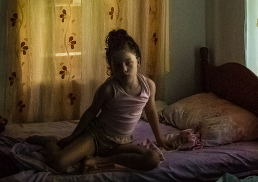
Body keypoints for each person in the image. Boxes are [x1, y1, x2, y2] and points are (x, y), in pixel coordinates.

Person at [27, 29, 173, 172]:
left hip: (121, 143)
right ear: (111, 68)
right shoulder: (109, 89)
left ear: (138, 61)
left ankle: (100, 160)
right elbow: (90, 113)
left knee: (152, 159)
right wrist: (73, 136)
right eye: (117, 65)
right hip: (97, 137)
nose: (124, 69)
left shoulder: (149, 87)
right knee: (57, 163)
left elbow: (151, 111)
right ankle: (50, 142)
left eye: (128, 63)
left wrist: (159, 139)